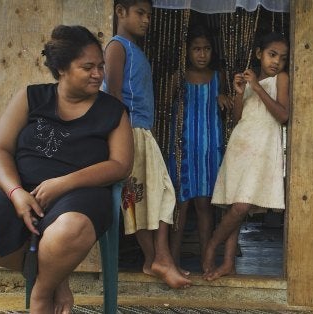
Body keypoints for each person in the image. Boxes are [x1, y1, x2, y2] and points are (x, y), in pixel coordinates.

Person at [0, 25, 134, 313]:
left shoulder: (113, 111)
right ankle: (54, 280)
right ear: (62, 68)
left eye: (100, 66)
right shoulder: (30, 97)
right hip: (23, 190)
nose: (98, 74)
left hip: (81, 196)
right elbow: (0, 149)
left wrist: (63, 183)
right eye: (87, 67)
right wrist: (14, 193)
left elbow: (121, 165)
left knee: (68, 229)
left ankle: (40, 294)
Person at [102, 0, 191, 289]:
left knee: (151, 195)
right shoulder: (117, 47)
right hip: (130, 132)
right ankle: (159, 259)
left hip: (141, 131)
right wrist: (121, 137)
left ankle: (155, 260)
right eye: (140, 13)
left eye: (149, 16)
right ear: (120, 12)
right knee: (147, 196)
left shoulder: (136, 50)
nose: (147, 20)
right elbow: (112, 96)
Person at [202, 32, 290, 281]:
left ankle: (211, 245)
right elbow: (237, 118)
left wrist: (258, 87)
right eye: (272, 55)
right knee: (235, 205)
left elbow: (283, 116)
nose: (276, 62)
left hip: (262, 150)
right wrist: (240, 92)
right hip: (241, 146)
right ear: (258, 54)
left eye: (282, 58)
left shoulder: (280, 79)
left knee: (241, 207)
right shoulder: (250, 81)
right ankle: (228, 261)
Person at [167, 24, 232, 273]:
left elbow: (229, 112)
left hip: (209, 151)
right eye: (196, 49)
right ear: (187, 51)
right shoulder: (178, 77)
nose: (202, 54)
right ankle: (172, 260)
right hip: (183, 149)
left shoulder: (219, 78)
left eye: (206, 49)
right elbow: (162, 108)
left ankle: (207, 259)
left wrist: (225, 99)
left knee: (205, 206)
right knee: (180, 205)